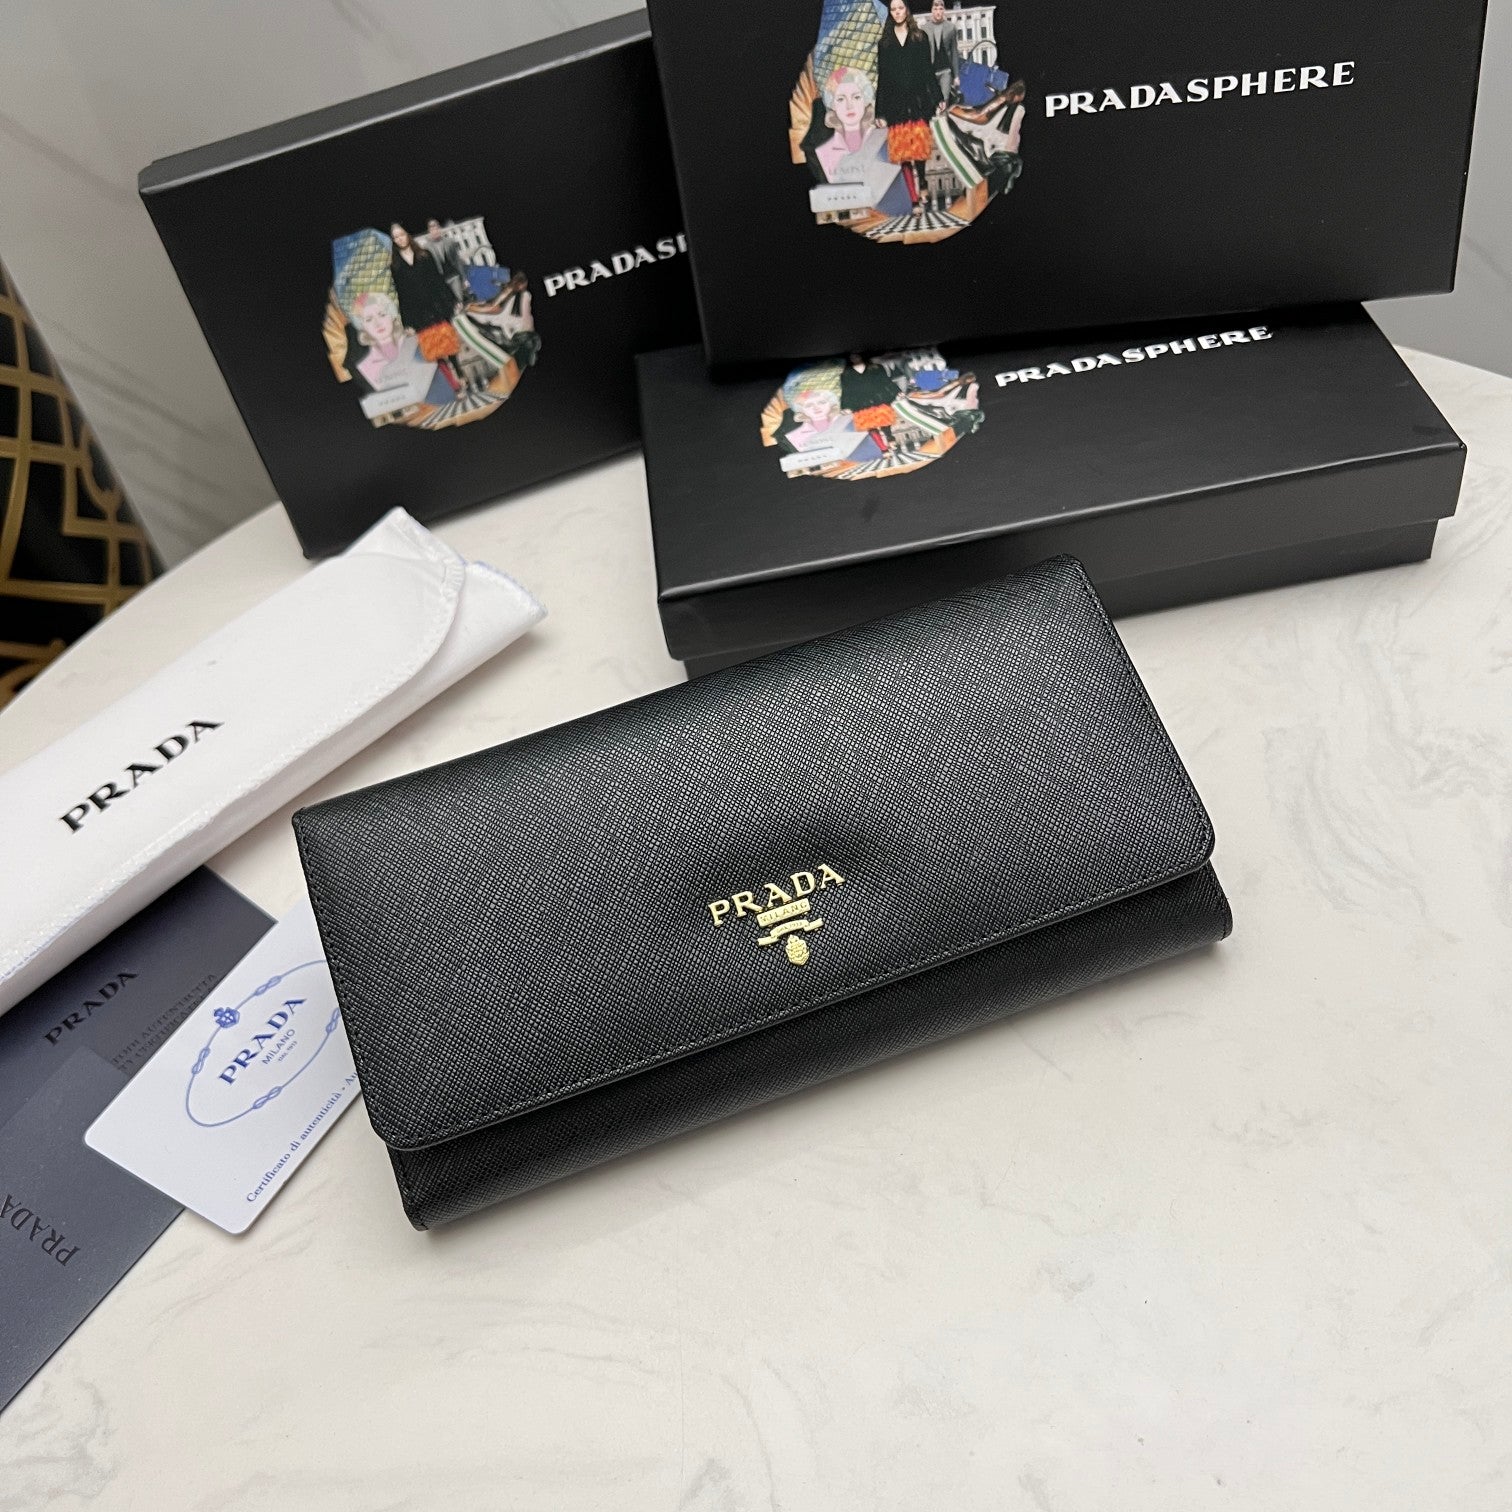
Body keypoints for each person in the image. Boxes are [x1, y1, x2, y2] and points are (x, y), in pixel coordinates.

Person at [874, 0, 943, 219]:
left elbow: (928, 71)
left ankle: (922, 182)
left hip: (919, 101)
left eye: (900, 8)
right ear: (890, 13)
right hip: (895, 105)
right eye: (893, 9)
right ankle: (914, 199)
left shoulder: (920, 37)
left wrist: (938, 97)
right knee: (903, 154)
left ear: (907, 10)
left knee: (919, 149)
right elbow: (882, 78)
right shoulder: (884, 43)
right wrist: (879, 112)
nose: (897, 12)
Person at [388, 222, 467, 391]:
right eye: (396, 237)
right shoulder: (395, 266)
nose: (400, 239)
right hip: (418, 312)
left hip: (436, 305)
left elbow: (438, 279)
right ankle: (453, 384)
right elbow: (401, 294)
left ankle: (459, 373)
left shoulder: (424, 254)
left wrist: (452, 300)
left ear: (407, 234)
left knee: (448, 343)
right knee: (434, 350)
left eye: (401, 235)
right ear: (393, 241)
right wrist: (407, 322)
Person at [918, 0, 960, 108]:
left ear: (944, 10)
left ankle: (943, 116)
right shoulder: (925, 29)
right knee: (931, 103)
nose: (938, 12)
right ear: (932, 11)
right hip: (930, 72)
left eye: (941, 9)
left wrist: (956, 75)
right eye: (935, 9)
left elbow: (954, 52)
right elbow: (922, 54)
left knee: (944, 102)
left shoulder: (951, 27)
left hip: (945, 70)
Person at [423, 218, 469, 305]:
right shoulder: (427, 247)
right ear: (429, 231)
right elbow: (429, 268)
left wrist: (464, 279)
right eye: (432, 229)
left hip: (454, 276)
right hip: (441, 281)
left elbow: (457, 261)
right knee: (449, 304)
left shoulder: (449, 242)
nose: (435, 231)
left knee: (459, 301)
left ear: (439, 228)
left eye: (436, 228)